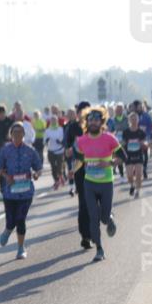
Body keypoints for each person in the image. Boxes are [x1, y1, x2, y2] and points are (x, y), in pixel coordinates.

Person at [75, 108, 125, 262]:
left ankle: (108, 218)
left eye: (96, 120)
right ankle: (99, 249)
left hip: (106, 183)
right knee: (93, 218)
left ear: (102, 122)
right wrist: (72, 168)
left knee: (103, 217)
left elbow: (122, 157)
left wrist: (109, 162)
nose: (93, 122)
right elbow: (78, 159)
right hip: (89, 183)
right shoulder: (81, 140)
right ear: (86, 122)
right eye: (90, 120)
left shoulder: (110, 138)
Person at [0, 124, 43, 260]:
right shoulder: (5, 150)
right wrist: (6, 177)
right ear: (11, 135)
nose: (17, 135)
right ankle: (7, 230)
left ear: (24, 135)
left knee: (20, 219)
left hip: (26, 191)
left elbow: (38, 168)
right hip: (10, 191)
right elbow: (0, 168)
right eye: (14, 133)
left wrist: (36, 174)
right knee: (11, 221)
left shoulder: (30, 151)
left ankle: (21, 248)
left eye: (20, 133)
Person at [65, 101, 93, 249]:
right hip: (80, 169)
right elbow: (68, 148)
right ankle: (85, 236)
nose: (82, 114)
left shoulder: (95, 127)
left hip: (97, 169)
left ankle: (94, 229)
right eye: (80, 112)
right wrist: (69, 151)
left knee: (95, 202)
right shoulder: (72, 128)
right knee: (83, 203)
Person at [122, 112, 148, 197]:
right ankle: (132, 185)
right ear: (129, 120)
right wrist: (122, 144)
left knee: (139, 174)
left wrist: (144, 144)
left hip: (138, 155)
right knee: (129, 175)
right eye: (132, 119)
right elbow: (123, 143)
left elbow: (145, 142)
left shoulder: (141, 132)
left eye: (135, 119)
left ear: (138, 120)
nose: (133, 121)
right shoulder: (126, 132)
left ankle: (137, 191)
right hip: (128, 155)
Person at [108, 104, 130, 183]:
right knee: (119, 158)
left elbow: (129, 129)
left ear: (123, 110)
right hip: (116, 142)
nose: (118, 111)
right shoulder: (112, 120)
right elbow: (110, 131)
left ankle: (129, 173)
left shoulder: (126, 119)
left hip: (126, 141)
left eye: (120, 109)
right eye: (117, 110)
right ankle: (121, 175)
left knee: (127, 157)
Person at [44, 115, 67, 190]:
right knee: (53, 167)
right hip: (51, 150)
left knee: (59, 167)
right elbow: (44, 141)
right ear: (50, 122)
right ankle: (57, 181)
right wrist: (46, 141)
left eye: (55, 120)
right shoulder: (47, 130)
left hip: (59, 150)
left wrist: (60, 142)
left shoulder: (60, 129)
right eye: (52, 120)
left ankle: (61, 176)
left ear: (57, 121)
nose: (53, 121)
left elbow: (63, 139)